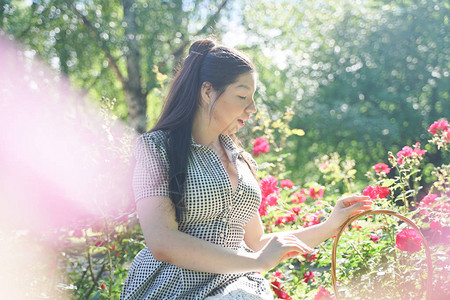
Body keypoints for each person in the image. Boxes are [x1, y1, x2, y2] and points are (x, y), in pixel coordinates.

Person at [120, 39, 372, 300]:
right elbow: (162, 241)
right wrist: (256, 262)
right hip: (175, 288)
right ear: (207, 92)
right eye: (242, 96)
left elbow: (259, 243)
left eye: (252, 99)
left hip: (235, 287)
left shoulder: (240, 159)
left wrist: (331, 224)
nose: (251, 109)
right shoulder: (157, 148)